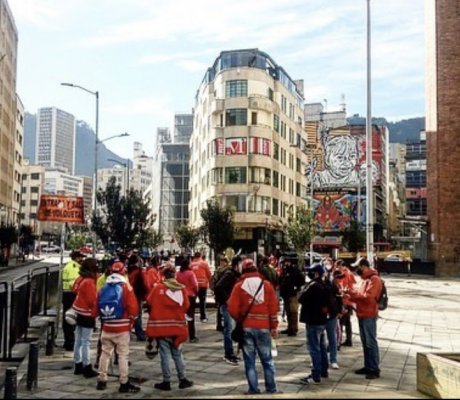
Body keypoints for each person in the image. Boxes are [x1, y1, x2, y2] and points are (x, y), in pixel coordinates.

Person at [228, 258, 279, 395]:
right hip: (263, 327)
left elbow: (232, 308)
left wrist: (239, 319)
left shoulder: (239, 286)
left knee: (249, 361)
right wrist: (273, 326)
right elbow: (273, 308)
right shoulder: (267, 285)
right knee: (267, 360)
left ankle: (253, 388)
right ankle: (271, 388)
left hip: (246, 327)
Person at [146, 263, 194, 391]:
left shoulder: (157, 289)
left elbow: (149, 302)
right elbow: (186, 306)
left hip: (162, 328)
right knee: (178, 354)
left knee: (165, 356)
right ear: (174, 275)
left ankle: (166, 382)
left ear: (163, 276)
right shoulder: (182, 289)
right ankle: (182, 379)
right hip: (177, 327)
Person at [95, 261, 140, 393]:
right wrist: (133, 318)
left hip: (107, 326)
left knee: (105, 354)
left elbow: (96, 306)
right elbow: (133, 308)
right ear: (123, 272)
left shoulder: (103, 287)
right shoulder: (126, 287)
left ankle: (101, 380)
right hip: (122, 327)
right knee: (122, 356)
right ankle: (124, 382)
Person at [344, 257, 383, 380]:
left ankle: (374, 369)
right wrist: (349, 294)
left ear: (363, 266)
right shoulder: (365, 280)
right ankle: (368, 366)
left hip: (369, 314)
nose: (357, 269)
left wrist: (352, 294)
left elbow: (368, 297)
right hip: (362, 313)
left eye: (358, 267)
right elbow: (360, 295)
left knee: (370, 342)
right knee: (365, 342)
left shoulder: (374, 279)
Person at [298, 262, 329, 385]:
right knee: (321, 347)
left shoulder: (313, 286)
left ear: (316, 273)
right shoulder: (325, 285)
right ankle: (323, 370)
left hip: (313, 320)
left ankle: (316, 374)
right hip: (322, 320)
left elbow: (301, 298)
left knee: (314, 348)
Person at [71, 258, 99, 378]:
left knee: (78, 340)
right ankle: (87, 366)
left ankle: (78, 364)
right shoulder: (89, 282)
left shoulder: (82, 279)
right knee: (85, 341)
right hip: (87, 314)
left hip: (79, 312)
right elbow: (92, 300)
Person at [214, 255, 242, 365]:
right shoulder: (229, 274)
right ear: (236, 265)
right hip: (227, 306)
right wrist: (227, 300)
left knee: (231, 328)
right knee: (229, 329)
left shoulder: (235, 274)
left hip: (231, 305)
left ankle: (231, 353)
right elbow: (218, 287)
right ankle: (228, 353)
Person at [62, 250, 84, 351]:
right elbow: (73, 283)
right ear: (77, 258)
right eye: (81, 257)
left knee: (68, 317)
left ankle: (68, 341)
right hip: (71, 294)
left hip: (67, 294)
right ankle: (70, 343)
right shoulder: (74, 267)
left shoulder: (69, 265)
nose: (82, 259)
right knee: (70, 318)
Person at [323, 257, 343, 370]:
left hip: (331, 314)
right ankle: (320, 359)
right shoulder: (316, 284)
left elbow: (339, 298)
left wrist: (339, 310)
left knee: (332, 338)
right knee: (320, 339)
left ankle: (333, 359)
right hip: (320, 315)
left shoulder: (333, 285)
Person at [278, 257, 305, 336]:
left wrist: (296, 287)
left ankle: (294, 329)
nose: (283, 265)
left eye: (284, 263)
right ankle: (290, 327)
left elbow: (301, 280)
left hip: (293, 294)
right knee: (288, 312)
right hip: (286, 295)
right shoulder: (284, 271)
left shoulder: (294, 270)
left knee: (293, 312)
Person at [176, 257, 199, 343]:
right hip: (190, 296)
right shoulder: (190, 273)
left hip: (180, 295)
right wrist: (196, 292)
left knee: (181, 315)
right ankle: (192, 336)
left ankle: (180, 334)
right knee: (190, 316)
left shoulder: (178, 273)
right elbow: (195, 285)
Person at [333, 259, 356, 347]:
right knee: (347, 322)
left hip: (345, 301)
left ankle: (338, 342)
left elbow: (344, 287)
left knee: (341, 322)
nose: (336, 268)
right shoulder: (349, 273)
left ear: (341, 265)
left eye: (337, 266)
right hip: (349, 301)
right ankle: (349, 340)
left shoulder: (344, 274)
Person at [127, 254, 147, 341]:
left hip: (127, 294)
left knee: (128, 314)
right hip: (137, 295)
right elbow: (144, 284)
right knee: (138, 314)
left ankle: (128, 333)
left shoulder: (126, 270)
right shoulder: (139, 271)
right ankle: (140, 334)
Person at [190, 252, 212, 322]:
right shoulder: (204, 263)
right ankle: (203, 317)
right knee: (202, 301)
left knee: (192, 301)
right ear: (201, 256)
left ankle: (191, 316)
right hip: (203, 285)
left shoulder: (191, 264)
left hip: (193, 285)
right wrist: (210, 282)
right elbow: (209, 274)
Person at [212, 255, 231, 332]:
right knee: (220, 308)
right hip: (220, 291)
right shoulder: (219, 271)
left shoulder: (227, 270)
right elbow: (214, 280)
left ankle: (222, 324)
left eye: (223, 262)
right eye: (221, 262)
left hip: (223, 291)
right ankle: (219, 325)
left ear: (226, 262)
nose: (222, 263)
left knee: (222, 308)